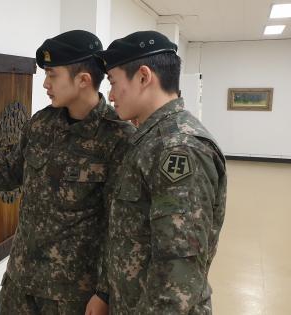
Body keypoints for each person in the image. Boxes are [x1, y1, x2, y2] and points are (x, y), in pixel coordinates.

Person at [0, 30, 135, 315]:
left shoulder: (119, 137)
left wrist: (104, 293)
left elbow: (123, 226)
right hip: (22, 283)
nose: (45, 84)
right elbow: (9, 172)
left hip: (74, 295)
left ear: (83, 80)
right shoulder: (41, 124)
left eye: (52, 75)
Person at [98, 30, 227, 314]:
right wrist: (106, 293)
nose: (110, 94)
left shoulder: (178, 147)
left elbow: (179, 268)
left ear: (143, 77)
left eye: (113, 82)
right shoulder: (148, 139)